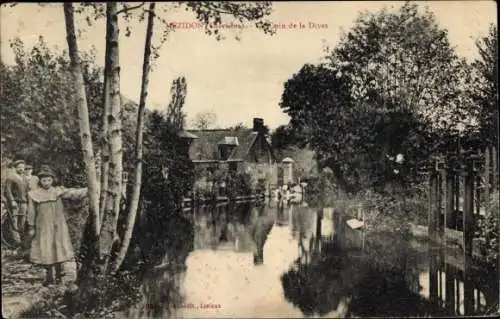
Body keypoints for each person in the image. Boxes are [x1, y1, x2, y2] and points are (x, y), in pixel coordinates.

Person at [26, 166, 87, 286]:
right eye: (44, 180)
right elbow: (31, 212)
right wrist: (31, 227)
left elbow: (73, 193)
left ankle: (59, 275)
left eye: (49, 180)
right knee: (46, 248)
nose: (47, 183)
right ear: (40, 181)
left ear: (52, 180)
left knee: (58, 247)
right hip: (43, 226)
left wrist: (90, 188)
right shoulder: (34, 194)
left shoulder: (57, 191)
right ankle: (49, 277)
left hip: (58, 225)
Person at [3, 159, 28, 243]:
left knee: (23, 220)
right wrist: (12, 201)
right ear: (15, 168)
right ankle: (16, 241)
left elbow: (28, 191)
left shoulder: (25, 178)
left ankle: (22, 239)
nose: (21, 169)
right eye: (19, 167)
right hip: (15, 203)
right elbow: (7, 190)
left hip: (24, 202)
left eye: (22, 167)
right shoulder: (11, 177)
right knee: (14, 221)